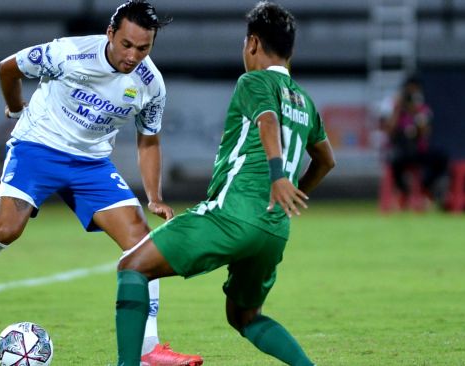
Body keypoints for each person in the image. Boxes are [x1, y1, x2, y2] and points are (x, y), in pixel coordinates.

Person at [0, 1, 203, 364]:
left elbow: (149, 140)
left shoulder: (151, 85)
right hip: (38, 147)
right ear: (110, 33)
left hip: (91, 164)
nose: (133, 56)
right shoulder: (67, 53)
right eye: (126, 44)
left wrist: (154, 196)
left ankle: (148, 349)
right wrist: (16, 108)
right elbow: (8, 69)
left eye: (143, 48)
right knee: (6, 229)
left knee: (144, 246)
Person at [114, 2, 336, 365]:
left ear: (252, 43)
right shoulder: (305, 101)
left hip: (232, 214)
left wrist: (279, 176)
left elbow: (266, 120)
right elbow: (327, 160)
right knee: (245, 317)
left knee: (132, 267)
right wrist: (292, 194)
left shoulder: (254, 81)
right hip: (274, 229)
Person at [383, 75, 448, 208]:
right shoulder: (397, 109)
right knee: (394, 161)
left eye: (415, 92)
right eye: (409, 92)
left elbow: (425, 133)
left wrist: (417, 113)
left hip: (419, 151)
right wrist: (398, 109)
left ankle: (426, 188)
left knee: (441, 157)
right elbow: (389, 131)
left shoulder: (423, 109)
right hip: (402, 152)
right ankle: (403, 194)